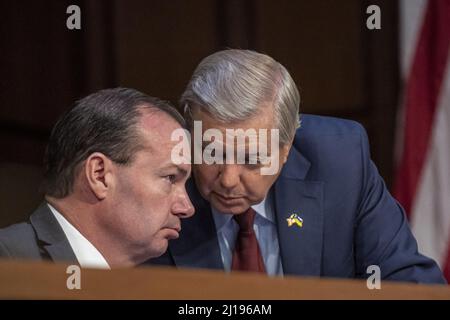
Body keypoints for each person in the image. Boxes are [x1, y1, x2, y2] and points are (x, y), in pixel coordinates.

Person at [149, 49, 446, 284]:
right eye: (211, 153)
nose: (227, 180)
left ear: (286, 148)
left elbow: (408, 282)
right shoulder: (154, 181)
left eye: (252, 160)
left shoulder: (340, 163)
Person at [0, 88, 194, 268]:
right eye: (170, 177)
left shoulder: (159, 287)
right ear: (99, 175)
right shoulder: (10, 261)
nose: (187, 208)